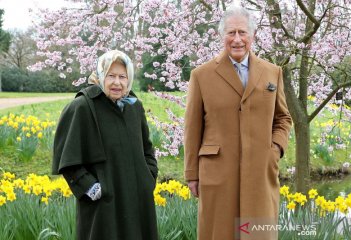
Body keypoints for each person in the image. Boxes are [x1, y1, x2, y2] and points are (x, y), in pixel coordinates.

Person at [184, 5, 292, 240]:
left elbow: (283, 118)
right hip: (218, 173)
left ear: (252, 36)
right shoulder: (201, 76)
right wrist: (192, 174)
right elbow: (192, 128)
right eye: (230, 33)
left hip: (260, 172)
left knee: (258, 234)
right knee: (219, 233)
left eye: (242, 33)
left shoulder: (272, 73)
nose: (237, 39)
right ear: (222, 36)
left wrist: (274, 148)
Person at [52, 50, 158, 240]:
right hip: (103, 205)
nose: (117, 82)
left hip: (138, 200)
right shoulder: (83, 106)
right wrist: (90, 187)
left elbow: (147, 149)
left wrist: (148, 177)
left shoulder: (134, 106)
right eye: (111, 76)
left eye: (122, 77)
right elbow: (67, 158)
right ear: (101, 76)